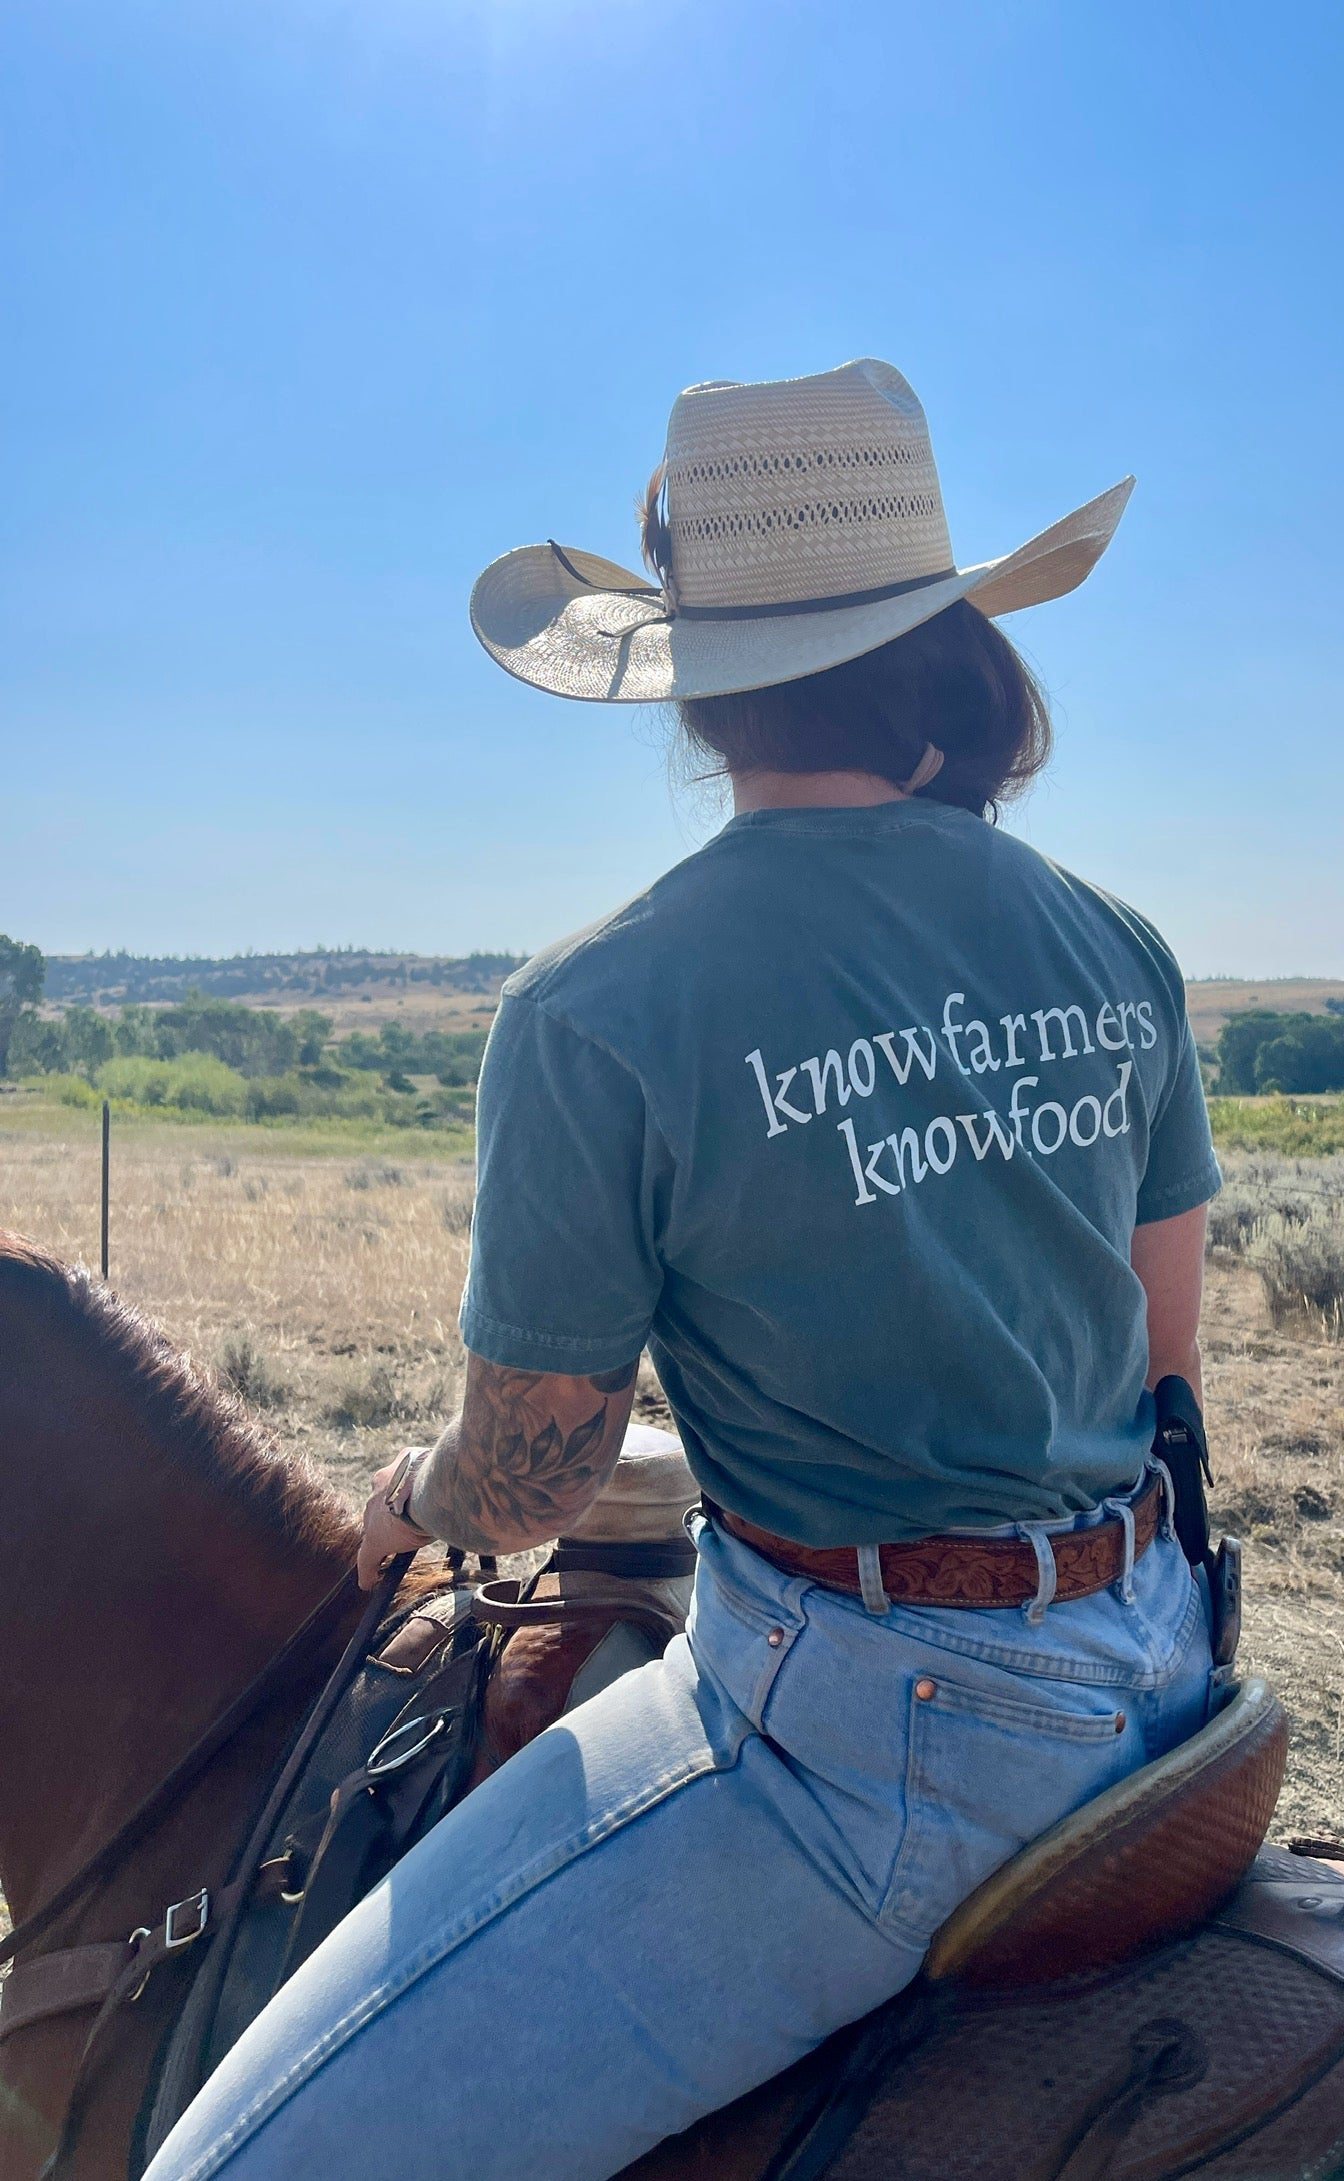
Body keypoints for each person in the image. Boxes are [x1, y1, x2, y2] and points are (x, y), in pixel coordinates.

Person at [146, 360, 1221, 2181]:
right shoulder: (1117, 943)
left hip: (866, 1749)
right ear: (947, 635)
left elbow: (537, 1480)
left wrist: (410, 1494)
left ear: (700, 681)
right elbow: (1164, 1376)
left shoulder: (603, 1005)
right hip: (1163, 1664)